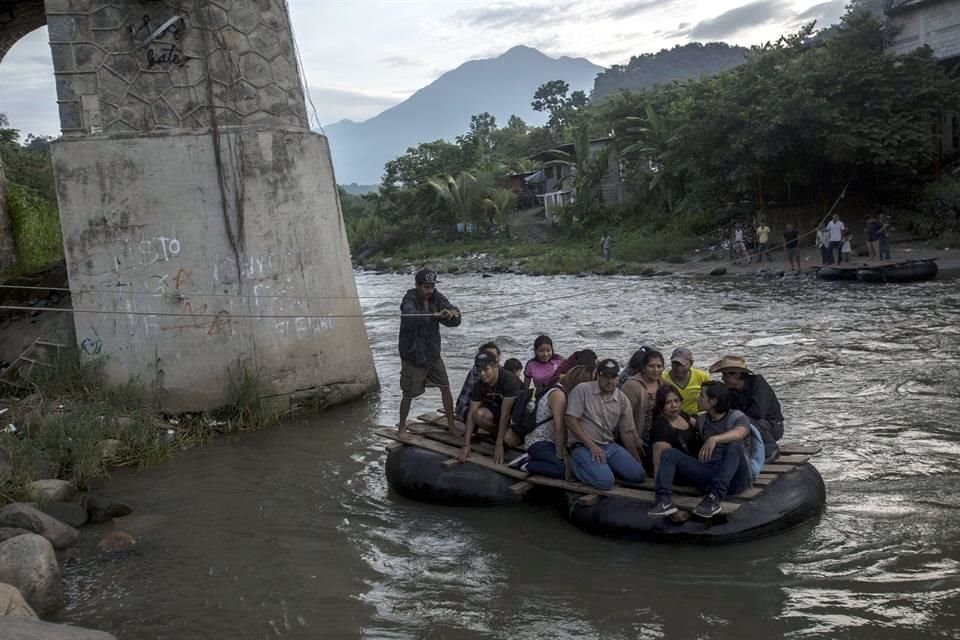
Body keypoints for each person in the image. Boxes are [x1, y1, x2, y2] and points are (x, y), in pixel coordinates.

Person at [648, 381, 753, 519]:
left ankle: (714, 499)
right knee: (669, 454)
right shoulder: (702, 420)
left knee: (734, 445)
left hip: (735, 478)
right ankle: (664, 501)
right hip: (709, 473)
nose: (697, 398)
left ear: (713, 401)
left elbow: (740, 433)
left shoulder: (736, 416)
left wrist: (714, 439)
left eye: (701, 395)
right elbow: (679, 421)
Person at [398, 269, 461, 439]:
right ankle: (402, 427)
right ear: (417, 286)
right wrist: (434, 316)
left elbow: (454, 317)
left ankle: (451, 424)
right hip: (413, 356)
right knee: (408, 394)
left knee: (445, 387)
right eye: (426, 287)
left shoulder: (437, 297)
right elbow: (409, 317)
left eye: (432, 287)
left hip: (433, 354)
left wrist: (452, 314)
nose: (430, 290)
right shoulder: (409, 298)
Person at [565, 359, 646, 490]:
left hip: (608, 445)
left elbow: (627, 432)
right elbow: (570, 420)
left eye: (613, 377)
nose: (609, 381)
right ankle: (573, 467)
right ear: (598, 375)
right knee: (605, 482)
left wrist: (638, 461)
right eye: (606, 376)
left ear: (618, 378)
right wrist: (591, 446)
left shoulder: (622, 399)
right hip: (583, 446)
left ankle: (602, 467)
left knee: (638, 475)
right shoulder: (582, 390)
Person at [520, 365, 594, 478]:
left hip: (550, 441)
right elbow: (558, 427)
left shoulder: (561, 390)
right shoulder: (559, 396)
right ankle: (526, 464)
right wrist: (560, 453)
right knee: (561, 469)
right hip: (539, 441)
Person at [709, 355, 783, 462]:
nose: (723, 378)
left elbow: (758, 412)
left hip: (771, 426)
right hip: (748, 425)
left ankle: (771, 449)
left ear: (737, 374)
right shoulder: (731, 391)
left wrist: (737, 417)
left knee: (744, 419)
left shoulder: (758, 383)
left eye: (725, 375)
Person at [460, 351, 525, 464]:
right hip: (497, 412)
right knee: (477, 415)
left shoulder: (509, 380)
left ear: (496, 366)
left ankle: (507, 439)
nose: (483, 374)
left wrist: (499, 445)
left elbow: (505, 415)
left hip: (518, 416)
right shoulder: (479, 384)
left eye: (486, 369)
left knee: (509, 439)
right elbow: (471, 414)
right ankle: (500, 436)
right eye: (479, 370)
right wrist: (466, 445)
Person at [620, 347, 664, 468]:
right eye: (651, 366)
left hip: (658, 437)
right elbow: (625, 417)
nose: (656, 370)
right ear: (643, 368)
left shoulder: (663, 383)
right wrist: (635, 438)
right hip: (638, 438)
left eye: (659, 366)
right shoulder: (631, 385)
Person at [650, 384, 701, 478]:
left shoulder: (681, 414)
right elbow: (658, 463)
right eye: (668, 402)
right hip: (681, 473)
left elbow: (701, 427)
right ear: (661, 406)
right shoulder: (662, 428)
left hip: (695, 463)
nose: (674, 405)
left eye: (676, 401)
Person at [455, 342, 500, 423]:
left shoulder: (503, 373)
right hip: (472, 407)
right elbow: (465, 400)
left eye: (495, 357)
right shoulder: (476, 372)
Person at [661, 347, 711, 416]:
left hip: (695, 416)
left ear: (691, 363)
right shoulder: (662, 379)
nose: (678, 368)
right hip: (672, 416)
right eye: (675, 364)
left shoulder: (702, 377)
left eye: (682, 365)